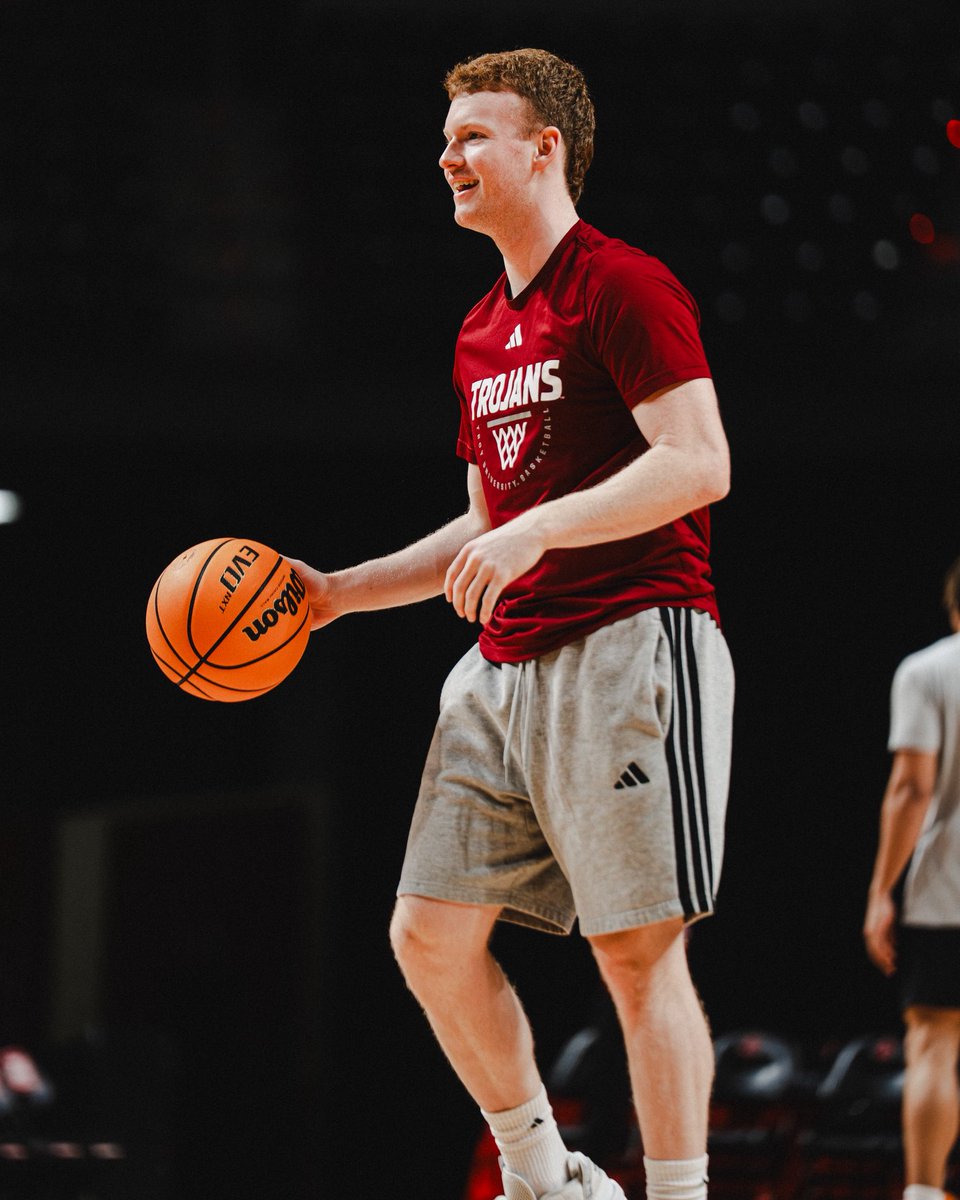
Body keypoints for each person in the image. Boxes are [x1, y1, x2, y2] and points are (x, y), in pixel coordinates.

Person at [294, 49, 734, 1200]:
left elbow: (697, 464)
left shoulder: (623, 284)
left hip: (634, 641)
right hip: (503, 666)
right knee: (426, 937)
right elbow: (483, 527)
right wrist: (338, 592)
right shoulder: (481, 332)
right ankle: (550, 1174)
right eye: (445, 138)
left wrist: (540, 533)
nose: (449, 154)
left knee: (637, 956)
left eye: (474, 134)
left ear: (547, 147)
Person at [864, 556, 960, 1200]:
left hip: (945, 890)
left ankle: (925, 1194)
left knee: (932, 1041)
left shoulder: (929, 671)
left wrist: (880, 891)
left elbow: (911, 787)